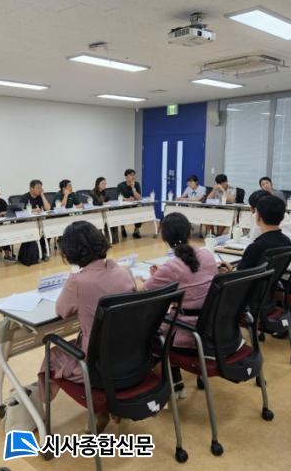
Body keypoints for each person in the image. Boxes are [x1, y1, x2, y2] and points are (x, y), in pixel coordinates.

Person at [38, 221, 135, 431]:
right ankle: (108, 408)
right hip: (131, 355)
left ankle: (45, 413)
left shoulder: (78, 282)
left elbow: (62, 310)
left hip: (97, 365)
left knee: (51, 358)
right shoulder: (124, 271)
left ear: (70, 252)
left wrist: (72, 280)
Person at [136, 212, 218, 398]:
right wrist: (162, 275)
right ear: (189, 231)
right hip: (211, 327)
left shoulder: (171, 267)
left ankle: (164, 386)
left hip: (190, 333)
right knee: (168, 323)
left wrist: (138, 279)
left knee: (152, 334)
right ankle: (176, 383)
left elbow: (144, 290)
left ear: (164, 238)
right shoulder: (207, 255)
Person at [231, 195, 291, 271]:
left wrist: (229, 270)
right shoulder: (287, 241)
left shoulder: (255, 247)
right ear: (282, 217)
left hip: (252, 278)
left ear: (258, 217)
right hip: (272, 278)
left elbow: (240, 274)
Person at [20, 180, 51, 260]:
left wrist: (42, 195)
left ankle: (43, 251)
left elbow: (48, 208)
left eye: (41, 188)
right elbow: (20, 212)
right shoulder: (25, 197)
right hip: (29, 223)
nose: (40, 190)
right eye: (38, 188)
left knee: (47, 229)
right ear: (31, 188)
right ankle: (37, 252)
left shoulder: (40, 196)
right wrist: (33, 210)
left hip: (40, 221)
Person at [91, 177, 119, 243]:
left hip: (104, 211)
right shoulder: (92, 192)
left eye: (105, 184)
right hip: (96, 213)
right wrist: (103, 203)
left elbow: (108, 200)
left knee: (113, 218)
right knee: (105, 221)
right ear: (98, 184)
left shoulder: (104, 192)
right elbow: (94, 203)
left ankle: (114, 239)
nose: (105, 185)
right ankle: (105, 240)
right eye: (103, 184)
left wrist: (105, 202)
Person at [117, 169, 143, 238]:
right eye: (131, 175)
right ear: (126, 177)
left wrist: (133, 187)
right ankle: (122, 228)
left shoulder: (136, 184)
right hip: (124, 206)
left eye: (134, 175)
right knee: (120, 212)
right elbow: (120, 197)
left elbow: (139, 198)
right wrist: (128, 200)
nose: (133, 177)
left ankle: (136, 230)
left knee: (141, 212)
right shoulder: (120, 185)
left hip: (134, 206)